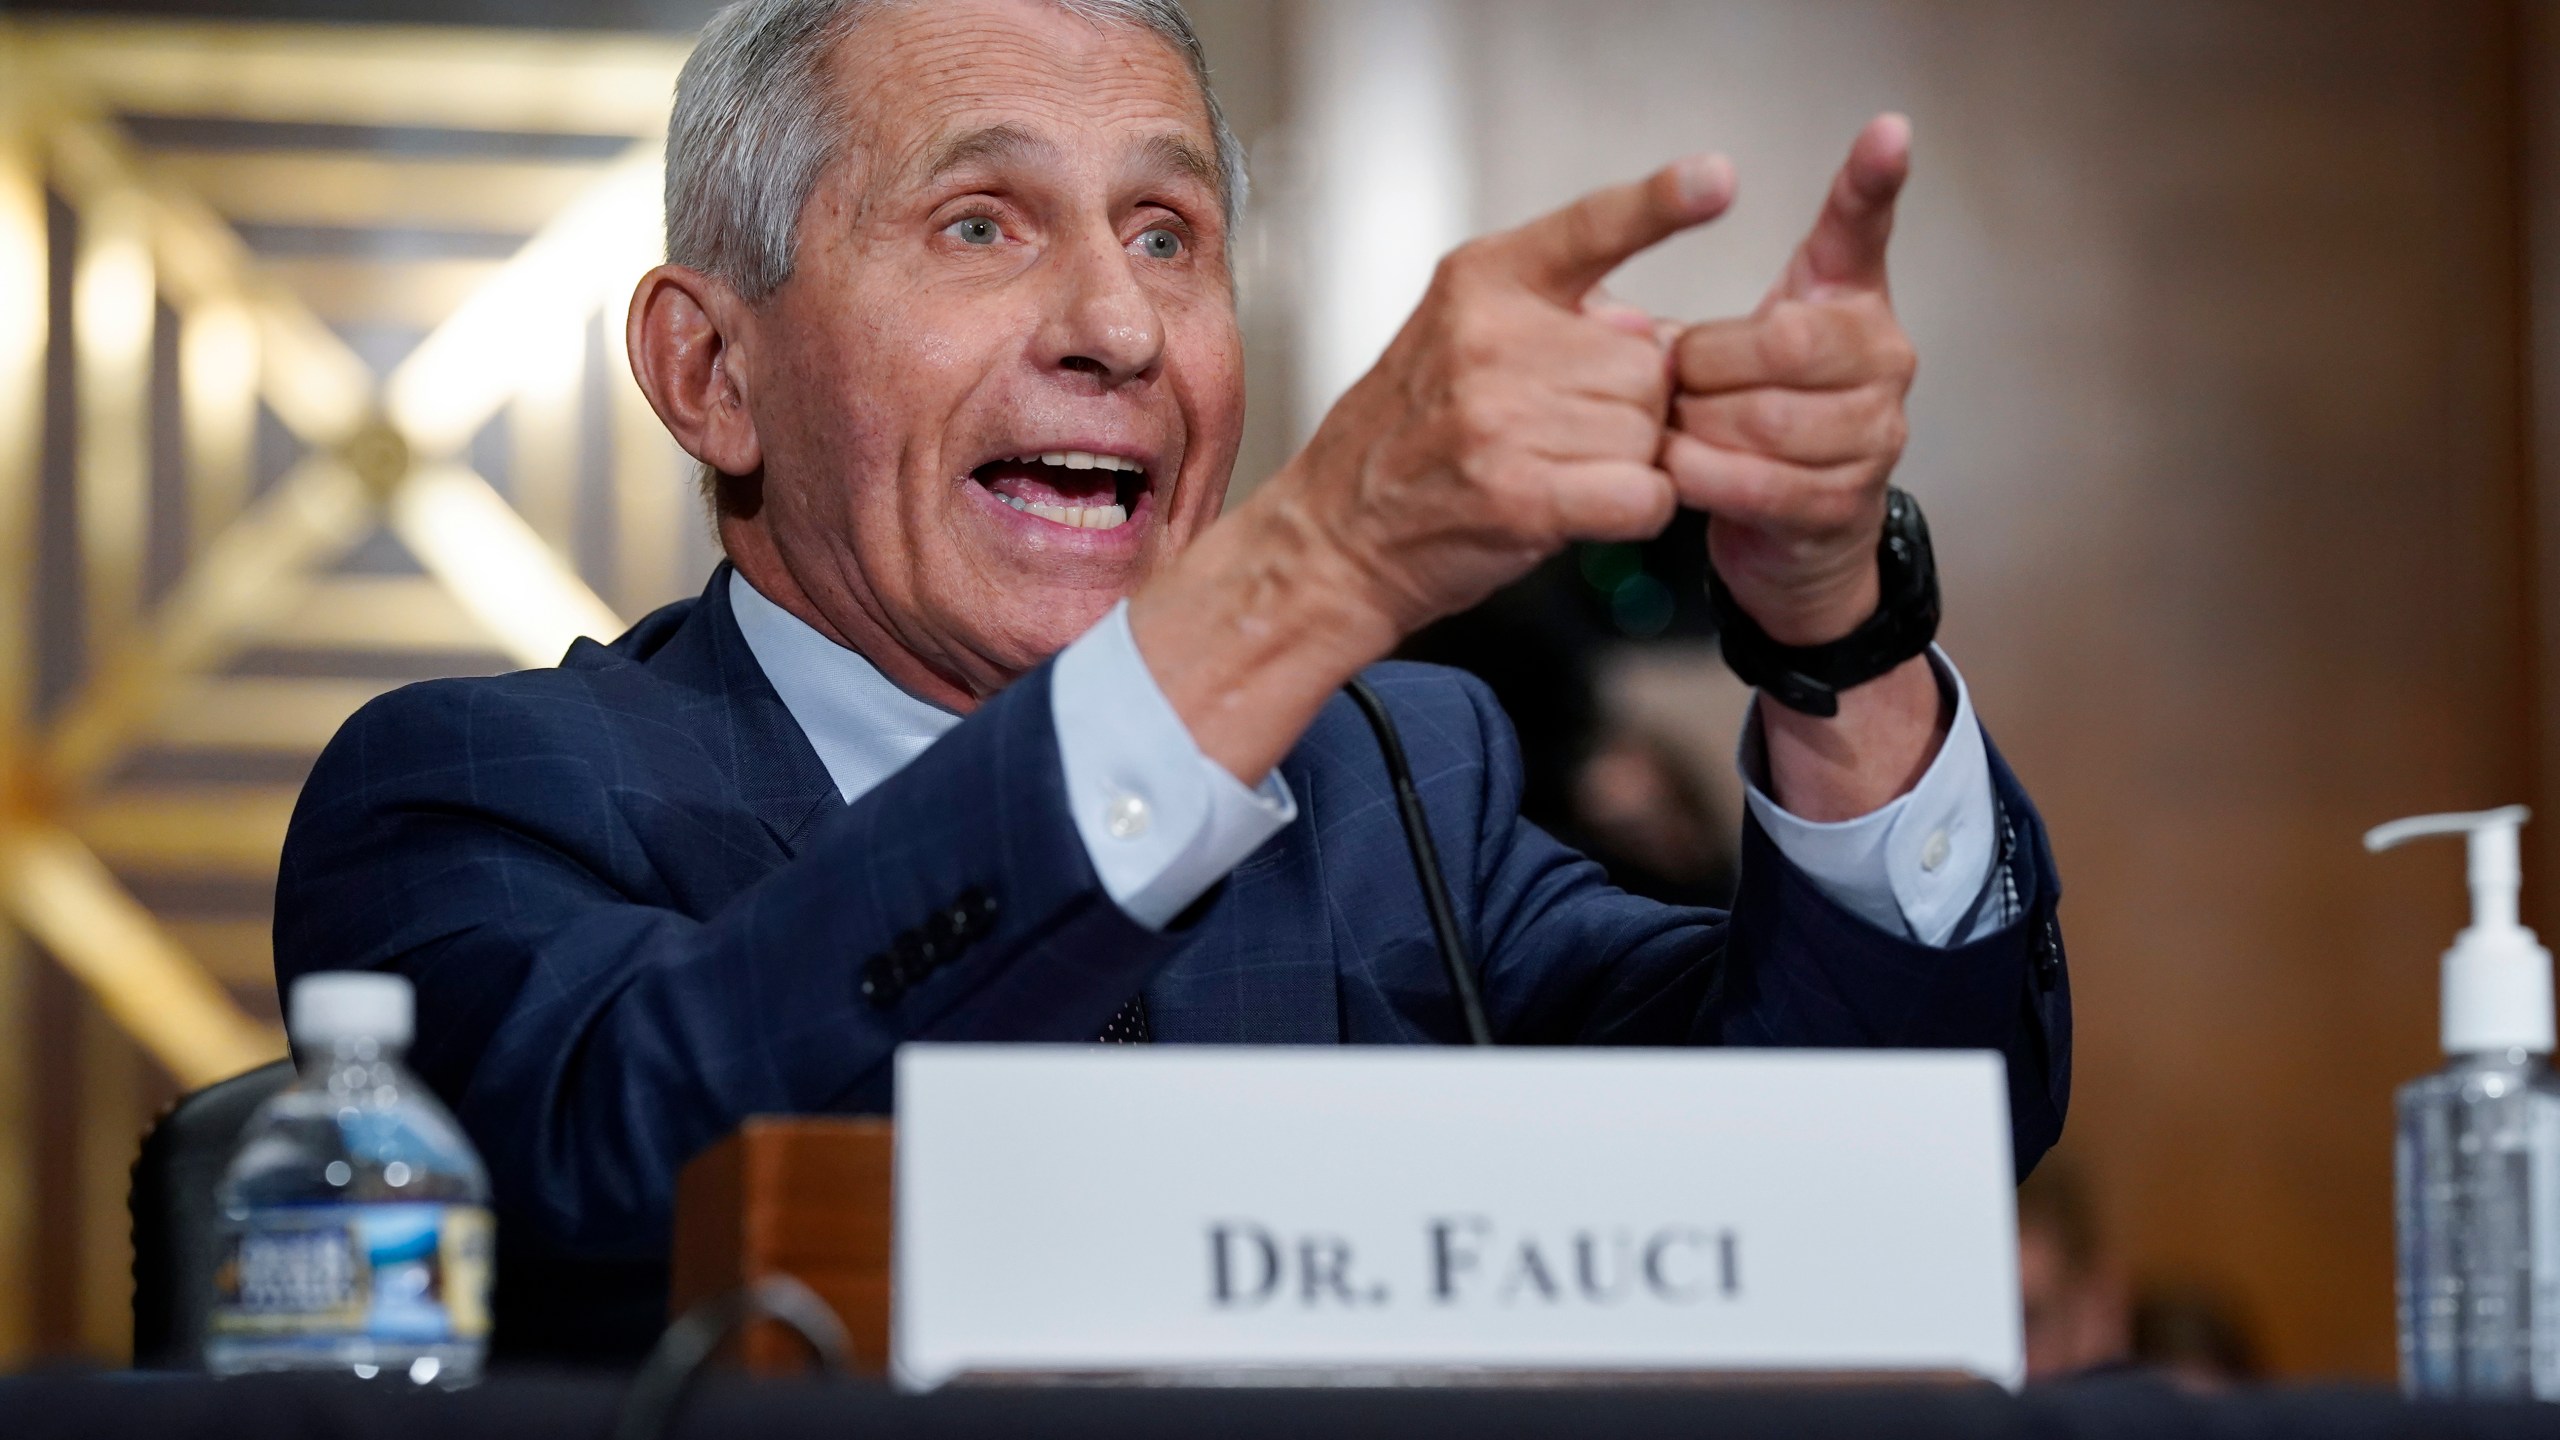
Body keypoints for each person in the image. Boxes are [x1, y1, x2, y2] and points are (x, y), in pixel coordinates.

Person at [276, 0, 2071, 1362]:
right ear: (707, 373)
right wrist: (1322, 566)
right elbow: (631, 1170)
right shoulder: (472, 797)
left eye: (1166, 235)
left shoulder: (1396, 779)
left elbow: (1864, 1148)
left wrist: (1840, 628)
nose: (1117, 329)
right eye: (980, 223)